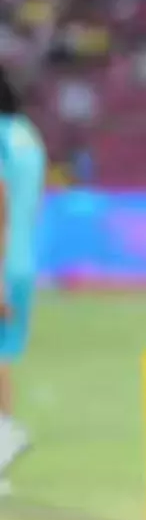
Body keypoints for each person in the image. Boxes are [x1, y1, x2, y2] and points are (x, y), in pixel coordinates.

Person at [0, 66, 46, 484]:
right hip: (23, 258)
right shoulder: (27, 136)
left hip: (0, 260)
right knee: (3, 355)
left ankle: (6, 436)